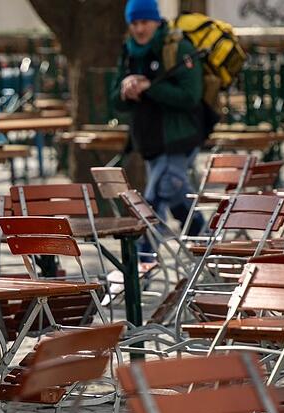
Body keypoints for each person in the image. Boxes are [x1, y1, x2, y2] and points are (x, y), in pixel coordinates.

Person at [112, 0, 206, 254]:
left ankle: (142, 262)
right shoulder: (129, 52)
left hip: (178, 137)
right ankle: (204, 238)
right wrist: (125, 90)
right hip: (149, 140)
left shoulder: (177, 48)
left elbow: (191, 95)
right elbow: (115, 102)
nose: (139, 29)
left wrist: (149, 87)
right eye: (134, 23)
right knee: (174, 192)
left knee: (152, 200)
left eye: (144, 22)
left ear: (156, 21)